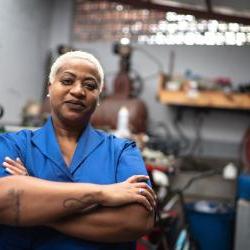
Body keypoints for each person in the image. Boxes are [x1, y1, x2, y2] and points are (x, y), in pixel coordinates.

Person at [0, 51, 156, 249]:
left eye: (90, 85)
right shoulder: (13, 145)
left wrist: (34, 204)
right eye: (67, 81)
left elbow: (137, 220)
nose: (78, 91)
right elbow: (5, 203)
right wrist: (102, 194)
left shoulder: (121, 151)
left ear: (98, 97)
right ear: (50, 88)